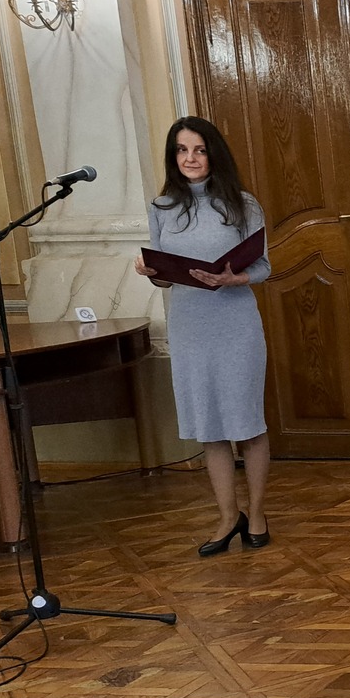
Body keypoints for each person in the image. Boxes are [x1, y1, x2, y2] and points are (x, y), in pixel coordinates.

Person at [133, 116, 272, 555]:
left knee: (247, 422)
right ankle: (228, 517)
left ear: (213, 154)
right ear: (173, 156)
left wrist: (234, 279)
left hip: (236, 323)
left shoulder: (242, 204)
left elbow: (264, 267)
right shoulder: (162, 207)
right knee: (210, 426)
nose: (190, 158)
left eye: (198, 149)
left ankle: (258, 514)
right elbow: (164, 277)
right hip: (190, 325)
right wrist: (151, 272)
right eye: (181, 150)